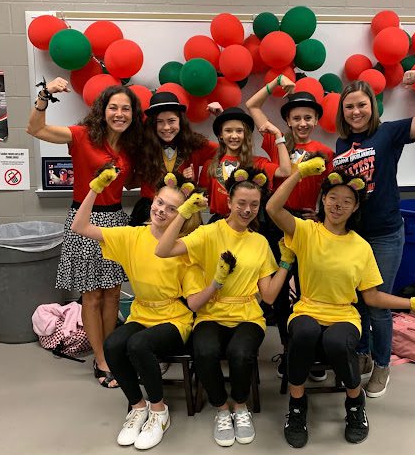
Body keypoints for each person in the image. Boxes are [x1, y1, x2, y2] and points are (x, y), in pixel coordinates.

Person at [265, 160, 415, 448]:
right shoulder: (307, 231)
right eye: (333, 198)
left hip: (344, 314)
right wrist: (298, 173)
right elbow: (272, 209)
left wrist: (412, 303)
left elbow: (372, 297)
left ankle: (355, 405)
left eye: (347, 201)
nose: (338, 205)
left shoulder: (361, 247)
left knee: (337, 341)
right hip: (307, 308)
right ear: (323, 200)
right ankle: (297, 408)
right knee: (304, 333)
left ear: (356, 207)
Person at [332, 68, 415, 397]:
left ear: (372, 106)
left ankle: (383, 364)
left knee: (378, 305)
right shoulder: (342, 143)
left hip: (384, 234)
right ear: (342, 112)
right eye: (349, 107)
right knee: (357, 301)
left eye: (361, 105)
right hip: (353, 236)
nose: (356, 112)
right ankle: (363, 354)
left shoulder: (390, 133)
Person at [71, 168, 208, 449]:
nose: (162, 211)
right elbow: (80, 227)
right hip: (142, 313)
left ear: (180, 214)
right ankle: (137, 406)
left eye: (172, 209)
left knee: (138, 345)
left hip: (174, 319)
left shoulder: (182, 246)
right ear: (152, 200)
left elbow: (194, 298)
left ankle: (159, 411)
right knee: (113, 345)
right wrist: (94, 189)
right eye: (159, 203)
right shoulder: (132, 236)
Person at [155, 167, 291, 447]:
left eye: (254, 205)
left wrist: (286, 263)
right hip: (210, 313)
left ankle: (240, 406)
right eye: (241, 203)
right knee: (204, 351)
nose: (247, 210)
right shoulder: (208, 233)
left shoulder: (260, 242)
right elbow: (163, 250)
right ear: (229, 202)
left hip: (248, 315)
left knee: (241, 354)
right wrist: (183, 212)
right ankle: (221, 409)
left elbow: (267, 297)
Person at [26, 76, 142, 388]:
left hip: (116, 220)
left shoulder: (132, 147)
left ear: (133, 114)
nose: (119, 113)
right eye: (113, 107)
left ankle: (112, 352)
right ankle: (101, 360)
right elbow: (34, 129)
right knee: (91, 297)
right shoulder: (81, 135)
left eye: (126, 109)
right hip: (84, 219)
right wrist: (44, 95)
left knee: (114, 293)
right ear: (103, 111)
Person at [246, 75, 334, 378]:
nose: (302, 122)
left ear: (316, 120)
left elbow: (331, 189)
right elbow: (251, 105)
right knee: (280, 290)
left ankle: (312, 349)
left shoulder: (324, 150)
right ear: (288, 120)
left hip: (307, 225)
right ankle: (287, 348)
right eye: (296, 117)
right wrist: (274, 84)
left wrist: (321, 216)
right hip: (275, 222)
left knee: (310, 287)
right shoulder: (275, 141)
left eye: (308, 117)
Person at [131, 91, 218, 225]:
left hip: (184, 212)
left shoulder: (194, 144)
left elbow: (228, 148)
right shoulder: (142, 147)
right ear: (153, 125)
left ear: (181, 122)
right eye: (160, 122)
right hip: (150, 212)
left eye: (171, 121)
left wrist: (221, 117)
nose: (166, 127)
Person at [199, 106, 291, 221]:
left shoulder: (257, 163)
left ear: (245, 134)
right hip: (218, 225)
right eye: (228, 131)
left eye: (239, 131)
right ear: (220, 135)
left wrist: (278, 135)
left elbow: (285, 171)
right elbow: (201, 199)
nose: (234, 136)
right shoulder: (210, 165)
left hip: (247, 224)